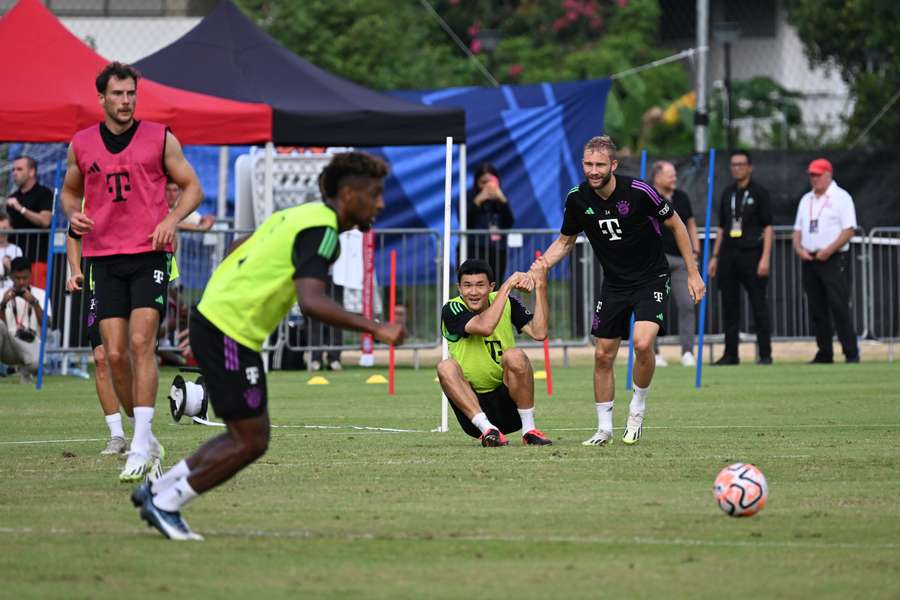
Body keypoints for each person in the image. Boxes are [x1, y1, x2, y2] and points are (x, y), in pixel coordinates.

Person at [131, 151, 405, 541]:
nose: (381, 203)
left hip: (222, 324)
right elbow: (311, 300)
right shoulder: (323, 230)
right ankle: (167, 504)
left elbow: (238, 246)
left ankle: (158, 490)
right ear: (348, 194)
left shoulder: (298, 215)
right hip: (229, 331)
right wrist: (376, 328)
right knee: (250, 440)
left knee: (243, 435)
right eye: (375, 193)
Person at [60, 62, 204, 483]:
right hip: (102, 258)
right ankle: (141, 430)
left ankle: (140, 443)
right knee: (114, 355)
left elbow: (193, 187)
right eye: (118, 94)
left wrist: (172, 219)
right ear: (102, 98)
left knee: (142, 343)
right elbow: (71, 192)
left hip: (149, 254)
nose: (126, 101)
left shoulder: (160, 137)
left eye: (131, 94)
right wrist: (74, 215)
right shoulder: (82, 144)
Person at [532, 136, 704, 447]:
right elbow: (565, 241)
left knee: (641, 343)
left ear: (613, 165)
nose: (593, 170)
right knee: (602, 354)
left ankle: (637, 408)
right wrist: (541, 266)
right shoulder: (577, 198)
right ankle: (604, 429)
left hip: (652, 277)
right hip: (614, 283)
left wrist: (693, 273)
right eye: (588, 164)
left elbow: (677, 224)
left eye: (599, 165)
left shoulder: (639, 191)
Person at [437, 258, 552, 447]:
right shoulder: (452, 308)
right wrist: (508, 285)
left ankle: (529, 431)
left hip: (508, 403)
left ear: (491, 287)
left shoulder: (507, 303)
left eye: (480, 285)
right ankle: (489, 431)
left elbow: (539, 332)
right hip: (473, 411)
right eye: (467, 286)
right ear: (459, 288)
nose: (473, 292)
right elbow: (485, 326)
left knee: (515, 355)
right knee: (446, 366)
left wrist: (540, 286)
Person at [65, 223, 129, 455]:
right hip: (99, 279)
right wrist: (75, 269)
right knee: (102, 357)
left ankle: (142, 429)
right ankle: (117, 435)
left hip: (136, 273)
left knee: (130, 356)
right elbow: (73, 233)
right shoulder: (88, 194)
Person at [707, 150, 774, 365]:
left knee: (758, 305)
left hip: (752, 254)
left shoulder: (760, 192)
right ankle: (730, 354)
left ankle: (765, 354)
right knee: (729, 305)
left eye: (741, 164)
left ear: (749, 167)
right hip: (728, 255)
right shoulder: (728, 193)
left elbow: (769, 227)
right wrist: (715, 256)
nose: (737, 167)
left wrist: (765, 258)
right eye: (733, 164)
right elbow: (721, 227)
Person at [792, 158, 860, 363]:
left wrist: (829, 250)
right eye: (811, 175)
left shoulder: (841, 197)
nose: (814, 179)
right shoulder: (806, 199)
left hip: (833, 258)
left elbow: (849, 229)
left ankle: (851, 352)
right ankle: (824, 352)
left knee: (839, 305)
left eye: (818, 175)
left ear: (828, 175)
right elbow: (797, 230)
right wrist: (799, 249)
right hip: (810, 259)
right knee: (816, 308)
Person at [650, 161, 701, 367]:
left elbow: (690, 225)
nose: (674, 178)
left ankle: (688, 352)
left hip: (680, 259)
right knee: (652, 306)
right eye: (670, 175)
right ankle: (652, 352)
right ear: (657, 176)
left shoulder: (682, 197)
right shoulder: (648, 196)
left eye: (674, 174)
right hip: (654, 260)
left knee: (687, 304)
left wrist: (695, 251)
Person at [0, 257, 49, 383]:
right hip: (9, 345)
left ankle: (22, 371)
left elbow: (47, 325)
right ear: (11, 276)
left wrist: (35, 303)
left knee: (37, 365)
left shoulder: (40, 294)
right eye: (17, 278)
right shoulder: (2, 294)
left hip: (30, 342)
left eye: (25, 278)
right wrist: (2, 305)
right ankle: (14, 369)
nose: (21, 282)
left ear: (31, 275)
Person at [466, 163, 514, 281]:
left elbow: (509, 221)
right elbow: (465, 221)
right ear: (477, 183)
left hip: (497, 249)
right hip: (475, 249)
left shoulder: (500, 198)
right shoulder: (469, 196)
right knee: (476, 282)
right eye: (483, 182)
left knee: (495, 283)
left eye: (490, 182)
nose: (487, 186)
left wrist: (502, 200)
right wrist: (477, 201)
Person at [6, 156, 53, 272]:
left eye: (19, 169)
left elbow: (45, 221)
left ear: (32, 172)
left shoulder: (44, 193)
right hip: (16, 259)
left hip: (38, 258)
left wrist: (21, 209)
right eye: (13, 170)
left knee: (37, 291)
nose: (14, 173)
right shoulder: (12, 197)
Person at [0, 212, 24, 292]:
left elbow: (21, 277)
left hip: (11, 292)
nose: (1, 232)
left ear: (10, 229)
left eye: (4, 228)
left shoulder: (16, 249)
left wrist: (10, 266)